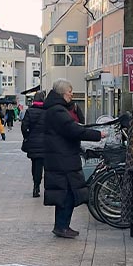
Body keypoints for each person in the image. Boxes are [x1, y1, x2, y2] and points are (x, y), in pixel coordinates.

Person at [41, 79, 104, 239]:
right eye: (70, 91)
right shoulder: (57, 111)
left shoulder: (56, 109)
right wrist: (98, 135)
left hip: (60, 157)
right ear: (62, 93)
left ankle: (62, 226)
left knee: (64, 193)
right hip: (63, 159)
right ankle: (62, 227)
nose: (72, 94)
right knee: (67, 193)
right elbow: (73, 129)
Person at [21, 91, 48, 197]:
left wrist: (27, 137)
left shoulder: (30, 111)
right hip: (46, 143)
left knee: (36, 166)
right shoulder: (48, 111)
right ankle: (47, 188)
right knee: (47, 167)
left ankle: (36, 186)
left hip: (33, 143)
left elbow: (24, 127)